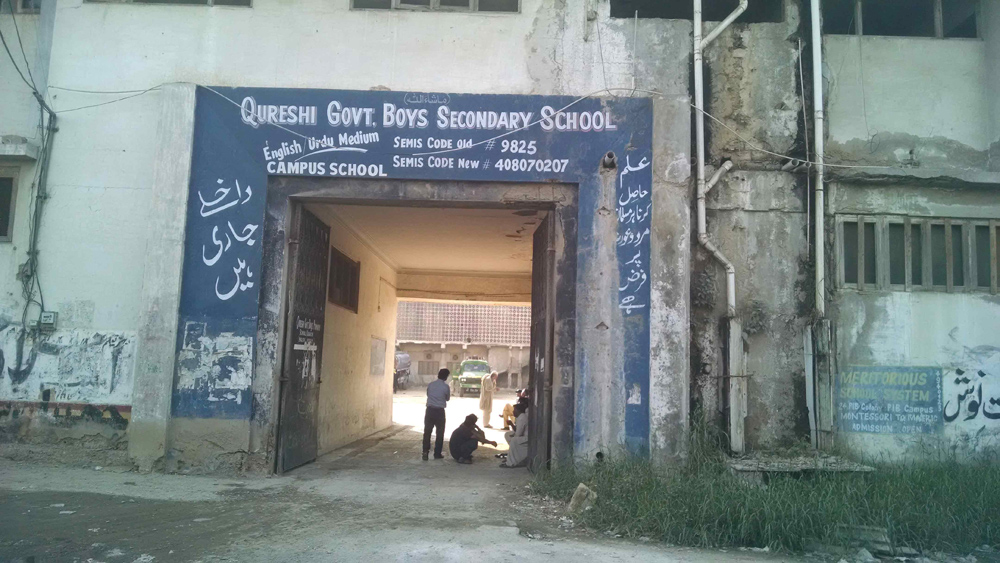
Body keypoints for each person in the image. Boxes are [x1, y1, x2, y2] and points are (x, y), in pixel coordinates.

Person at [422, 368, 450, 461]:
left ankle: (425, 452)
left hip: (430, 410)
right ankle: (437, 453)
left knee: (427, 432)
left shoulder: (431, 385)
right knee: (440, 433)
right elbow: (447, 398)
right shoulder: (446, 387)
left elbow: (428, 394)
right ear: (446, 377)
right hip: (439, 411)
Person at [501, 403, 529, 468]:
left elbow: (518, 434)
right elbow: (517, 430)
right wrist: (511, 425)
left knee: (514, 440)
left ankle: (510, 463)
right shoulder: (519, 417)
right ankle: (512, 457)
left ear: (518, 411)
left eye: (514, 410)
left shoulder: (522, 418)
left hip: (526, 438)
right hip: (523, 436)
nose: (513, 411)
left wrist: (513, 434)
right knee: (507, 435)